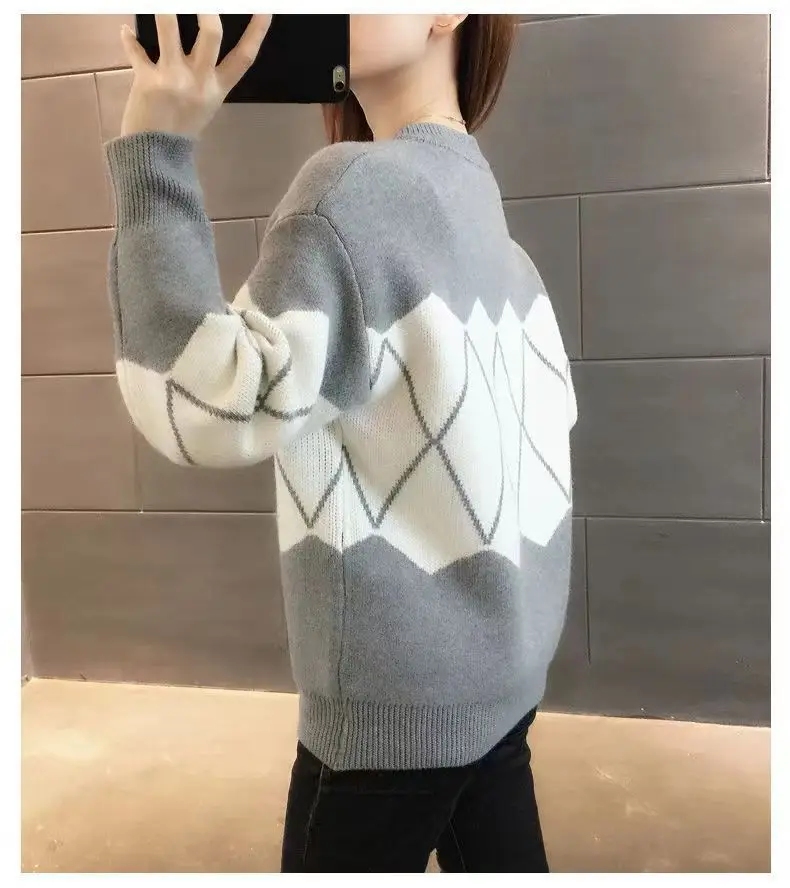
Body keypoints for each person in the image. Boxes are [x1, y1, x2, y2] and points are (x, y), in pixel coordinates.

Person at [106, 13, 577, 873]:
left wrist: (154, 151)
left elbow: (195, 404)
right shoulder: (489, 222)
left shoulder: (355, 189)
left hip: (390, 715)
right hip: (502, 683)